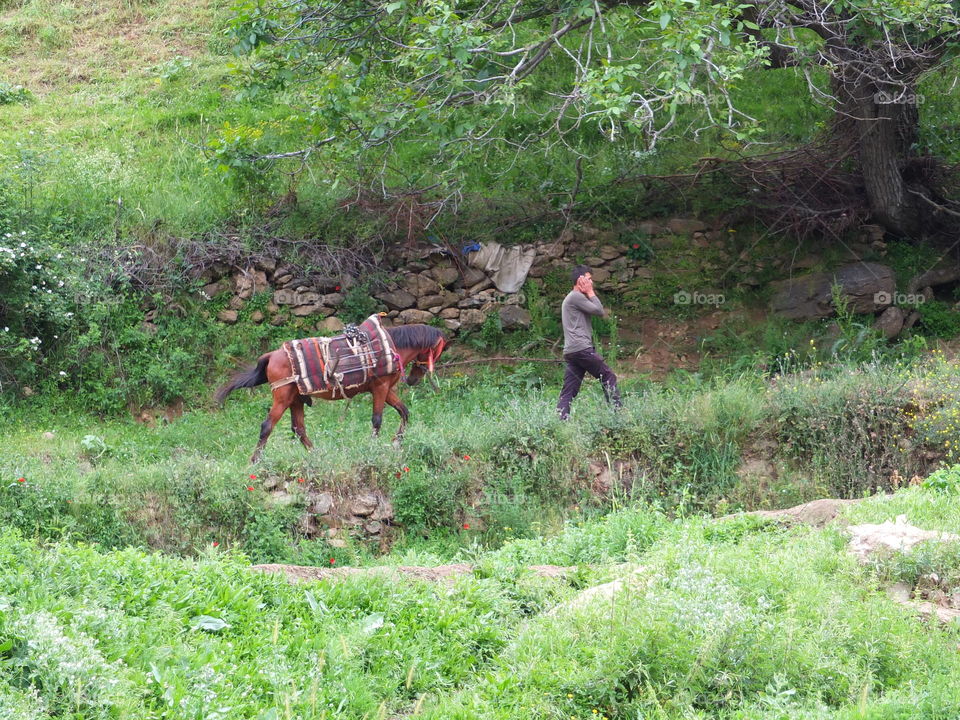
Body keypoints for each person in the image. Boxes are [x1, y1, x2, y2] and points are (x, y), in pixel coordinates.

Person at [556, 265, 622, 419]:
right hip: (581, 349)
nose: (591, 283)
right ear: (580, 280)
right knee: (608, 376)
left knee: (569, 389)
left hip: (572, 351)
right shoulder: (576, 296)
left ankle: (560, 419)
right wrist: (591, 292)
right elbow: (599, 311)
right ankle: (618, 417)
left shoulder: (573, 298)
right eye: (589, 279)